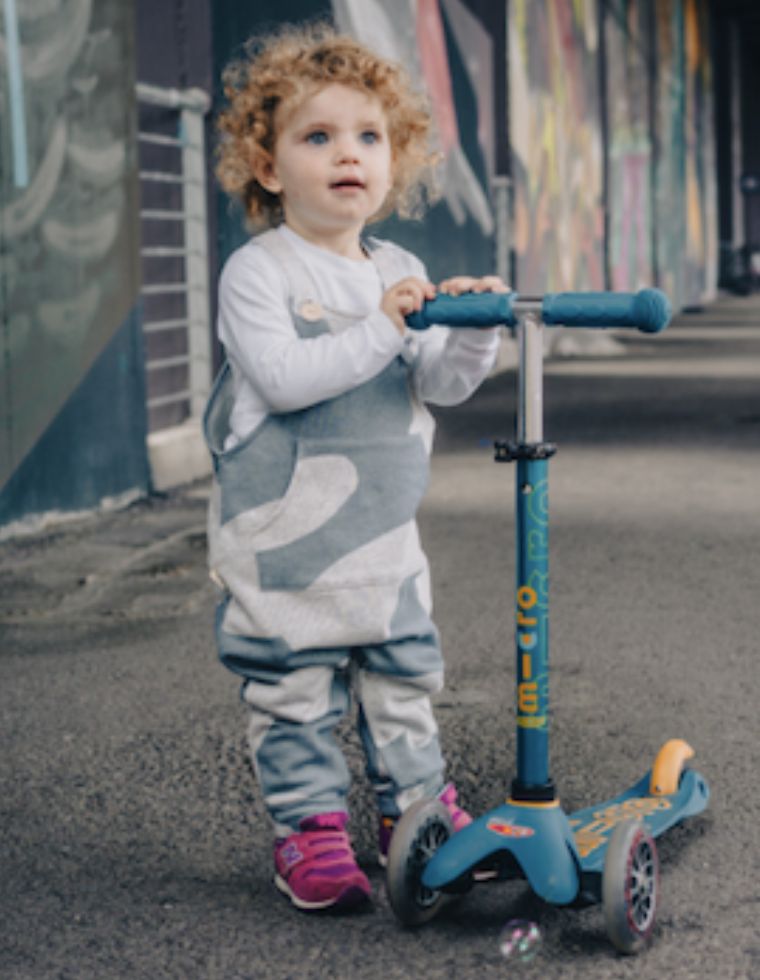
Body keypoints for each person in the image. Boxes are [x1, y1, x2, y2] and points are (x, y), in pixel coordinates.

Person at [206, 21, 506, 912]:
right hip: (285, 545)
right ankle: (310, 833)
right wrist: (383, 324)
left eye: (369, 137)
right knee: (294, 695)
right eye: (318, 136)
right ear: (268, 167)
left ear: (396, 160)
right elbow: (287, 381)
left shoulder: (400, 265)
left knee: (405, 681)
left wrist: (473, 327)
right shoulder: (258, 273)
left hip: (380, 541)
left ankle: (416, 818)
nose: (349, 154)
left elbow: (440, 384)